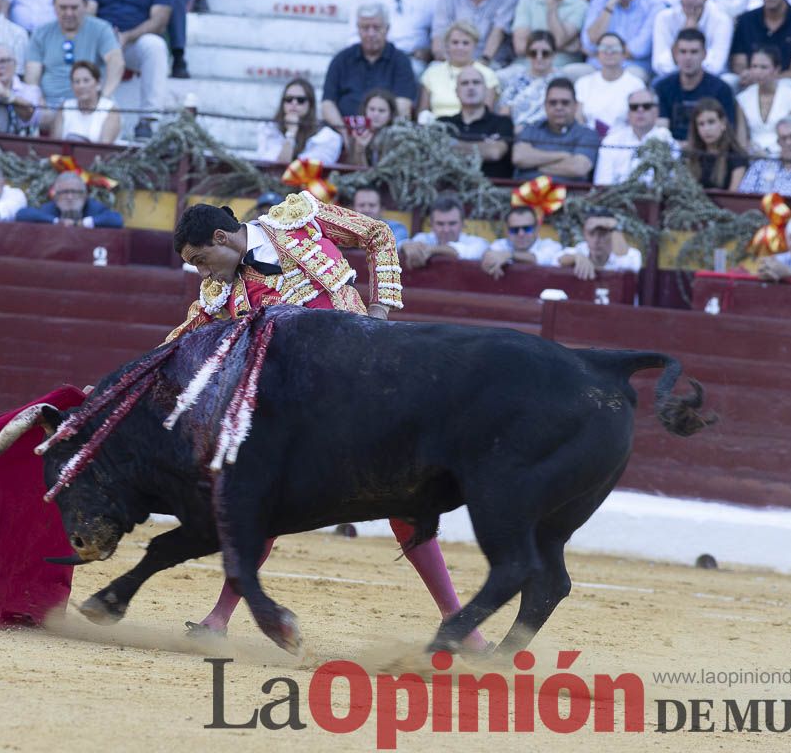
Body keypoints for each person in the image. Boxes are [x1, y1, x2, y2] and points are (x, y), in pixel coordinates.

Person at [170, 196, 487, 653]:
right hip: (304, 411)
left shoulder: (298, 220)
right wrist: (121, 384)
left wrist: (379, 317)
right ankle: (218, 619)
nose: (204, 273)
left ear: (221, 238)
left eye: (201, 260)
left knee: (405, 504)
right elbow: (179, 343)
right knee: (268, 502)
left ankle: (463, 626)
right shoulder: (219, 295)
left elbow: (377, 234)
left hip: (367, 387)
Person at [82, 0, 172, 139]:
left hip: (135, 40)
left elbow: (160, 20)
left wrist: (128, 36)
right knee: (82, 39)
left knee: (155, 46)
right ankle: (89, 113)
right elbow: (88, 11)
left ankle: (149, 119)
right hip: (101, 39)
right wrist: (105, 36)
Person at [24, 0, 123, 129]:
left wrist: (104, 97)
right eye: (63, 8)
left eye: (74, 7)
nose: (69, 13)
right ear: (54, 7)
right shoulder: (41, 33)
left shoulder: (101, 28)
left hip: (90, 104)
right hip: (51, 106)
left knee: (110, 115)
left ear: (85, 6)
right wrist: (38, 100)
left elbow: (116, 61)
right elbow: (32, 74)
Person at [322, 3, 416, 131]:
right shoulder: (341, 60)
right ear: (358, 29)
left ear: (387, 29)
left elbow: (403, 106)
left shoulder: (400, 61)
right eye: (365, 28)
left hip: (385, 133)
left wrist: (379, 134)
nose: (371, 33)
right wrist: (344, 132)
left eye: (376, 28)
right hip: (343, 132)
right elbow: (327, 103)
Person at [580, 0, 659, 77]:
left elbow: (639, 50)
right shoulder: (598, 2)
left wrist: (603, 52)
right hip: (597, 67)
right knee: (572, 72)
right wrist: (611, 3)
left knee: (635, 75)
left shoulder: (652, 5)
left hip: (631, 68)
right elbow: (588, 44)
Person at [654, 28, 737, 143]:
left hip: (709, 148)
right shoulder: (662, 87)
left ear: (704, 54)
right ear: (675, 55)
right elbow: (662, 130)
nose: (688, 58)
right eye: (683, 52)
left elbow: (728, 130)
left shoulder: (721, 89)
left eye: (694, 52)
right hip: (673, 149)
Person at [513, 77, 600, 182]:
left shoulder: (588, 134)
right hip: (525, 190)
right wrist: (563, 155)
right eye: (553, 103)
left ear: (575, 106)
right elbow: (519, 158)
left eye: (565, 103)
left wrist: (535, 165)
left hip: (569, 192)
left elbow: (578, 168)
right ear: (545, 106)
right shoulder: (531, 129)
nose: (559, 107)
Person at [438, 65, 515, 179]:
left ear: (486, 90)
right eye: (465, 83)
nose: (471, 87)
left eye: (476, 82)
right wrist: (484, 146)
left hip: (492, 187)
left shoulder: (503, 122)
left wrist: (451, 144)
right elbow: (436, 152)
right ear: (456, 92)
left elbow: (494, 153)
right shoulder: (442, 123)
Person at [651, 0, 733, 78]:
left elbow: (715, 66)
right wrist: (685, 32)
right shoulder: (664, 18)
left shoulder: (721, 20)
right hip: (673, 78)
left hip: (711, 79)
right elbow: (659, 65)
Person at [592, 87, 676, 185]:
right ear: (628, 113)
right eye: (634, 107)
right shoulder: (611, 141)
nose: (640, 110)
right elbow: (602, 182)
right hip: (617, 194)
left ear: (656, 111)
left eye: (646, 106)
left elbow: (672, 183)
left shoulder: (667, 141)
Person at [735, 45, 791, 157]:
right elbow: (741, 139)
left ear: (776, 70)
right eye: (754, 66)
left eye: (763, 67)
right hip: (753, 157)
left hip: (784, 158)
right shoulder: (742, 99)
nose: (758, 72)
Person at [419, 20, 499, 117]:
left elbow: (487, 113)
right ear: (447, 45)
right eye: (455, 42)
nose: (460, 47)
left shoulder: (487, 74)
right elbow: (422, 114)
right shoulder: (431, 73)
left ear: (475, 46)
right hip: (438, 125)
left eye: (466, 43)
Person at [255, 77, 343, 165]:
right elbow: (277, 165)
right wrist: (291, 134)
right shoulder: (268, 129)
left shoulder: (328, 136)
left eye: (300, 100)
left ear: (310, 104)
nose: (294, 103)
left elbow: (305, 168)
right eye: (289, 99)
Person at [574, 32, 646, 133]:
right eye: (604, 48)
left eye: (615, 48)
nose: (609, 52)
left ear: (624, 54)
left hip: (624, 139)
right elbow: (578, 118)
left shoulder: (636, 84)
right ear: (597, 54)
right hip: (589, 138)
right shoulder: (583, 83)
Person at [738, 115, 791, 195]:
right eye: (783, 138)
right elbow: (743, 198)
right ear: (778, 142)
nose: (788, 143)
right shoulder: (760, 166)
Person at [401, 192, 490, 269]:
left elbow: (469, 252)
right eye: (440, 224)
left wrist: (432, 250)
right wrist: (407, 246)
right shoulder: (423, 238)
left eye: (452, 223)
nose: (446, 230)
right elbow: (409, 245)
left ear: (463, 224)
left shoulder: (479, 243)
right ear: (431, 224)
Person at [496, 29, 559, 131]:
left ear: (554, 55)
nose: (539, 57)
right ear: (528, 55)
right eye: (533, 53)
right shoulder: (517, 79)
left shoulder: (560, 81)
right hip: (516, 132)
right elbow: (505, 111)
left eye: (545, 53)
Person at [14, 171, 124, 227]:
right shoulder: (50, 209)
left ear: (85, 195)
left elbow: (116, 219)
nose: (70, 197)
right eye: (64, 192)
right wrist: (57, 222)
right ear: (55, 197)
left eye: (75, 192)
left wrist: (83, 223)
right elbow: (22, 214)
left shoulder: (93, 208)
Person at [480, 204, 563, 277]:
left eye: (527, 228)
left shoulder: (551, 246)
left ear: (537, 228)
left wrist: (509, 255)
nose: (521, 234)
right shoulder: (501, 245)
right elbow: (488, 254)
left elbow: (539, 259)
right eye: (514, 229)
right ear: (507, 230)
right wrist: (488, 257)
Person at [683, 97, 748, 190]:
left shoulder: (737, 155)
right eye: (701, 124)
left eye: (711, 122)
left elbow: (734, 195)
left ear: (723, 123)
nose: (706, 129)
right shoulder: (689, 154)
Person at [557, 210, 642, 280]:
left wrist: (614, 226)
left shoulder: (632, 255)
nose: (596, 240)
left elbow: (627, 259)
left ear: (612, 235)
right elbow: (557, 258)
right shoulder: (581, 249)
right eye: (591, 234)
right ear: (585, 234)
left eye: (602, 234)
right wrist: (576, 257)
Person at [53, 60, 121, 143]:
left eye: (86, 80)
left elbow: (105, 147)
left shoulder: (110, 110)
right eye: (77, 81)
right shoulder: (65, 107)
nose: (81, 86)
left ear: (98, 84)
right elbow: (54, 145)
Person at [344, 88, 397, 166]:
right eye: (372, 109)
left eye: (381, 110)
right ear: (365, 110)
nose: (376, 114)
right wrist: (360, 150)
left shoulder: (397, 137)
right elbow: (358, 171)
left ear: (391, 114)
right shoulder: (356, 133)